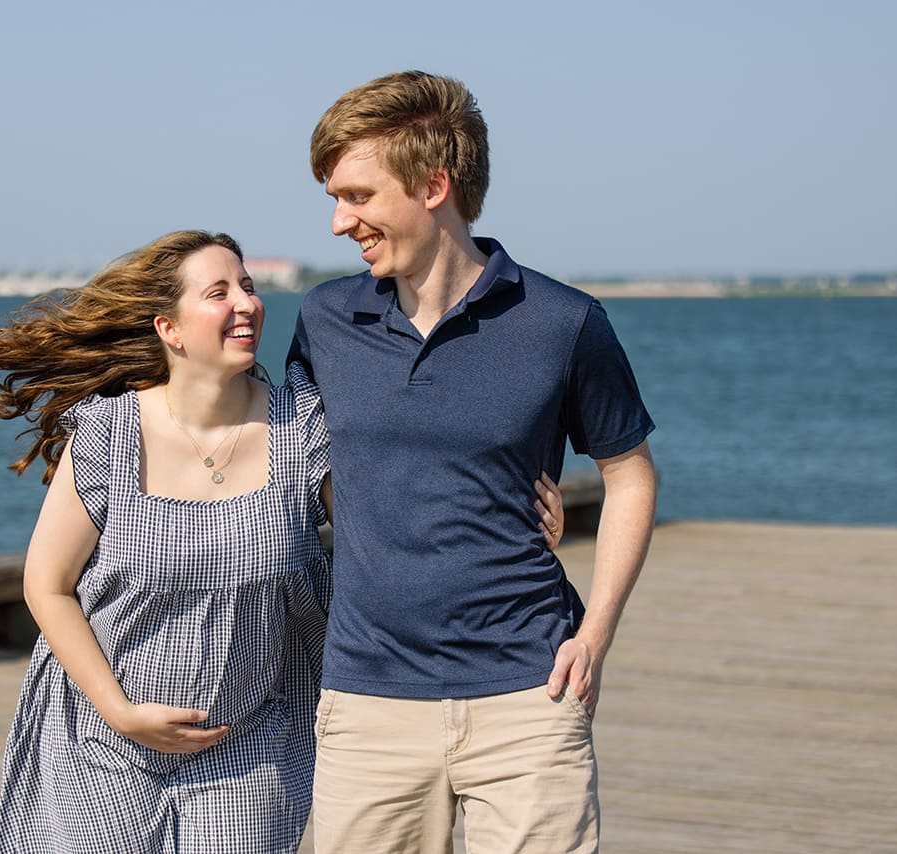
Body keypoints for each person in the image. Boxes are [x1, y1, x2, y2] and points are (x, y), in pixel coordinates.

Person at [0, 229, 567, 853]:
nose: (246, 304)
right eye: (218, 292)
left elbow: (389, 531)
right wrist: (120, 712)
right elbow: (47, 585)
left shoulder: (298, 429)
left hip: (249, 750)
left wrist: (509, 532)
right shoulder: (108, 434)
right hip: (103, 743)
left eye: (247, 287)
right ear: (169, 328)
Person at [289, 71, 658, 853]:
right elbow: (286, 454)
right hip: (367, 701)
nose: (338, 222)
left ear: (433, 186)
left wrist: (595, 635)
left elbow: (629, 474)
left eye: (357, 196)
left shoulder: (563, 322)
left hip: (529, 695)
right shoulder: (324, 319)